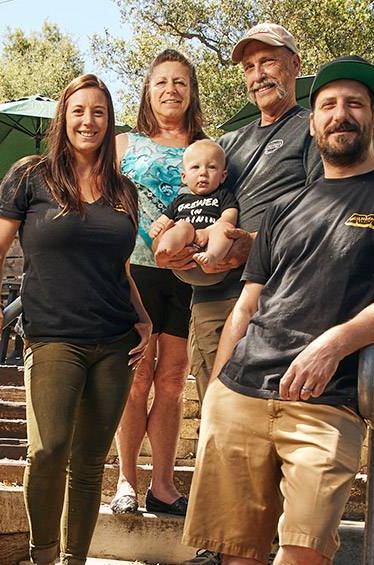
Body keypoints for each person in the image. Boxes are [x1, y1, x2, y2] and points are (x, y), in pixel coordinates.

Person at [180, 56, 374, 565]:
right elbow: (247, 306)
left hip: (327, 400)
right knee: (239, 544)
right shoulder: (282, 209)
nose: (340, 115)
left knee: (307, 549)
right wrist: (218, 390)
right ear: (314, 123)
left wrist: (332, 345)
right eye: (328, 105)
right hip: (242, 390)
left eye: (354, 105)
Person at [0, 73, 152, 565]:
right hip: (52, 335)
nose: (88, 121)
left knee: (90, 461)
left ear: (110, 120)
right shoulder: (30, 177)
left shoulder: (124, 191)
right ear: (63, 117)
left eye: (99, 112)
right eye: (79, 111)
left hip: (115, 340)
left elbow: (120, 268)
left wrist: (144, 319)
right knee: (48, 449)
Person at [155, 23, 322, 565]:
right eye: (249, 67)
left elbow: (328, 209)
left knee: (275, 417)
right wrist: (181, 245)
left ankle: (275, 542)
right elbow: (201, 202)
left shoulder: (313, 131)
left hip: (279, 295)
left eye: (268, 62)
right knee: (218, 415)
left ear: (294, 65)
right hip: (215, 298)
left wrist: (254, 244)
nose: (258, 75)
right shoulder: (233, 142)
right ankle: (221, 542)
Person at [110, 49, 206, 517]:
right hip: (134, 272)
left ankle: (163, 486)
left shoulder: (209, 148)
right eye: (162, 82)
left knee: (171, 380)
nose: (171, 90)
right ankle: (126, 481)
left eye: (181, 83)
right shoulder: (125, 144)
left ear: (191, 94)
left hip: (190, 276)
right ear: (148, 92)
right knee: (137, 377)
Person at [147, 139, 239, 285]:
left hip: (213, 252)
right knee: (181, 225)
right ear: (184, 177)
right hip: (184, 257)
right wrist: (157, 226)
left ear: (223, 176)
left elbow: (229, 217)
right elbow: (164, 220)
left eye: (212, 167)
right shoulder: (180, 200)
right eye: (195, 167)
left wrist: (209, 231)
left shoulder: (223, 195)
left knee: (225, 228)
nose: (203, 173)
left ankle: (212, 257)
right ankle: (166, 250)